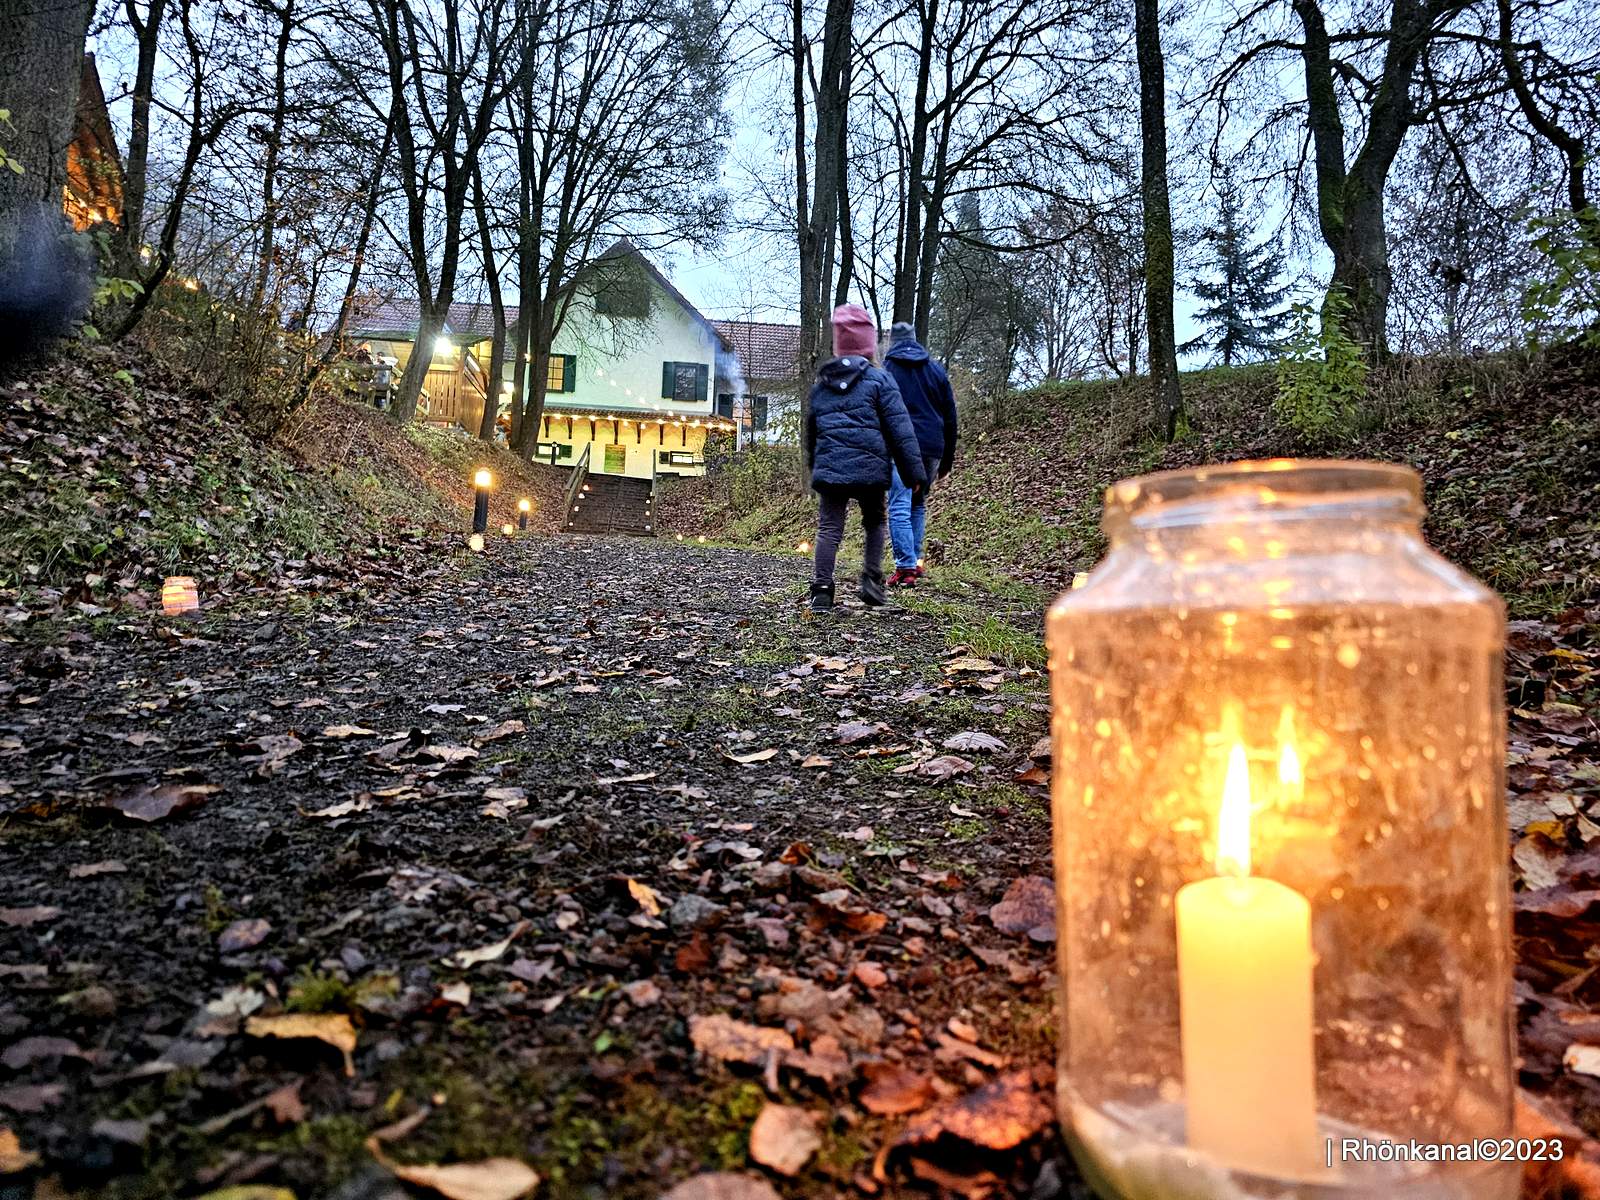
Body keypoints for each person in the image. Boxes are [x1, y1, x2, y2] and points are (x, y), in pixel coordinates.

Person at [805, 304, 926, 613]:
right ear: (869, 345)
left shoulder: (822, 385)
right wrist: (914, 475)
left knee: (829, 527)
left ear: (839, 344)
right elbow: (900, 429)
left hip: (832, 469)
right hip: (871, 469)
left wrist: (815, 468)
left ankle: (821, 589)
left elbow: (811, 432)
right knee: (874, 522)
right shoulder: (881, 380)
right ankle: (871, 580)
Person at [882, 322, 958, 586]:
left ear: (893, 342)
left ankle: (905, 567)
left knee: (899, 504)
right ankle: (914, 562)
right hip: (932, 448)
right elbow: (950, 416)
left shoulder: (888, 369)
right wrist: (946, 459)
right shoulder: (936, 370)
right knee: (917, 504)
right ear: (915, 340)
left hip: (902, 447)